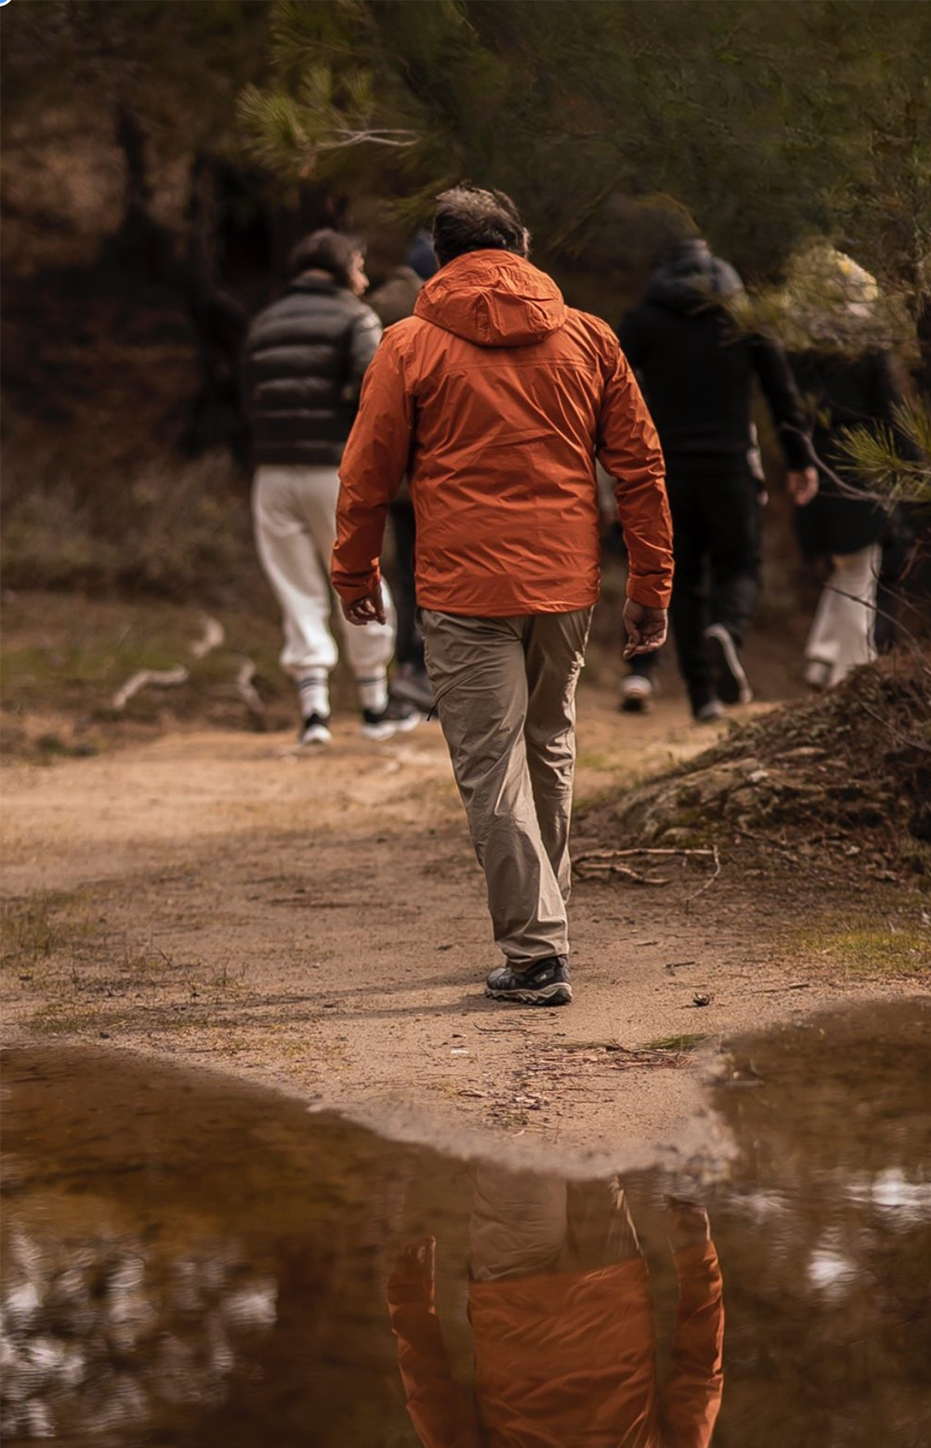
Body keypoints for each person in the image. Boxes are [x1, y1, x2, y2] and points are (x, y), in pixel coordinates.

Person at [332, 186, 672, 1006]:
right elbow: (640, 468)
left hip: (464, 587)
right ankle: (545, 923)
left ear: (441, 259)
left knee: (492, 766)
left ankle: (536, 951)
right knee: (547, 747)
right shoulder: (589, 337)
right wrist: (650, 584)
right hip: (564, 583)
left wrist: (355, 570)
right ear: (522, 244)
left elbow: (367, 470)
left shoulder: (408, 344)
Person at [619, 238, 817, 721]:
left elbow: (607, 383)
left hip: (667, 469)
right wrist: (800, 459)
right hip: (730, 466)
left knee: (683, 578)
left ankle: (703, 696)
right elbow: (781, 394)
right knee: (740, 565)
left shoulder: (645, 320)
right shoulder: (744, 318)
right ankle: (727, 629)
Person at [387, 1168, 724, 1447]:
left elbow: (700, 1377)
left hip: (605, 1284)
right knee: (529, 1140)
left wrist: (696, 1255)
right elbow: (433, 1403)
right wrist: (409, 1293)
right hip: (520, 1298)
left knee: (563, 1136)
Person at [243, 229, 419, 744]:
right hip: (337, 470)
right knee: (359, 578)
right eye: (359, 266)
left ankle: (314, 711)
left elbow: (247, 397)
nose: (363, 279)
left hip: (272, 473)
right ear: (342, 267)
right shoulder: (354, 317)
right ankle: (374, 705)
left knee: (295, 587)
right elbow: (377, 390)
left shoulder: (265, 321)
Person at [782, 248, 914, 687]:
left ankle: (822, 658)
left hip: (812, 467)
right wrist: (915, 473)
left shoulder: (796, 351)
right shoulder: (868, 351)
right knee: (860, 571)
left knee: (848, 567)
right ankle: (852, 675)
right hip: (859, 471)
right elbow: (893, 416)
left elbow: (787, 412)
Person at [367, 234, 441, 716]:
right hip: (434, 470)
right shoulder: (431, 313)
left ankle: (408, 671)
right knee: (436, 575)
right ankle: (428, 673)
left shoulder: (374, 307)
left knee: (404, 575)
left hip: (392, 470)